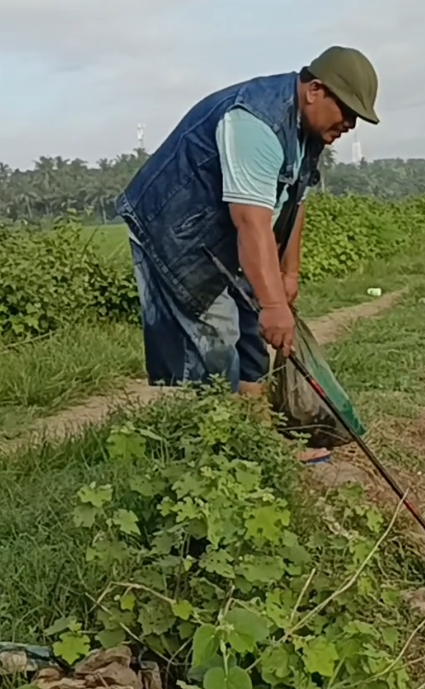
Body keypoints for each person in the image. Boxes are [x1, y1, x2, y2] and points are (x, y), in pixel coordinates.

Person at [115, 46, 379, 461]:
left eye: (356, 117)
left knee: (252, 328)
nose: (349, 124)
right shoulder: (256, 120)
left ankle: (257, 441)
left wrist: (286, 276)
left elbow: (295, 202)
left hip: (225, 234)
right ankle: (216, 455)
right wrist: (274, 304)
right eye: (346, 111)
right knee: (214, 337)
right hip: (177, 227)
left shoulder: (305, 133)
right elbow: (251, 222)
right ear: (314, 90)